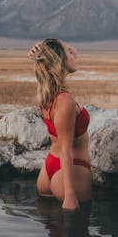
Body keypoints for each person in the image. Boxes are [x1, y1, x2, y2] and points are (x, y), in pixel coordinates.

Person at [28, 38, 91, 210]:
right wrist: (70, 195)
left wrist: (44, 46)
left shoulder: (48, 94)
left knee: (54, 230)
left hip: (50, 171)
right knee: (75, 232)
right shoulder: (64, 101)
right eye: (70, 52)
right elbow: (66, 148)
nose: (75, 53)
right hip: (68, 174)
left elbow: (63, 52)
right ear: (60, 60)